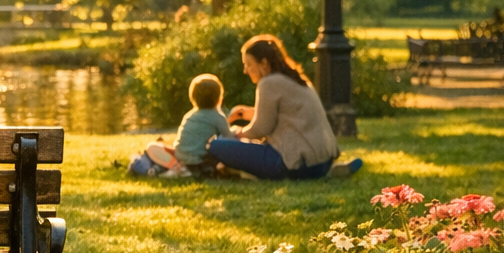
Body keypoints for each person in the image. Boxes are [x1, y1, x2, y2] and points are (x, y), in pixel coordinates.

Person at [206, 35, 360, 180]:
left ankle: (230, 169)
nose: (245, 70)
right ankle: (330, 172)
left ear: (264, 64)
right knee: (245, 145)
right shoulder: (296, 79)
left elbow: (262, 128)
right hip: (322, 163)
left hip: (296, 165)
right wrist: (246, 114)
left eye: (248, 64)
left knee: (215, 144)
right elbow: (284, 116)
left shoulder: (268, 83)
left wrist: (238, 134)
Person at [145, 73, 232, 176]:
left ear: (192, 98)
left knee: (151, 146)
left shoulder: (189, 115)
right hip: (199, 160)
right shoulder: (218, 117)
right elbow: (229, 138)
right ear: (219, 98)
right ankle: (182, 169)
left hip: (180, 156)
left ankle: (176, 166)